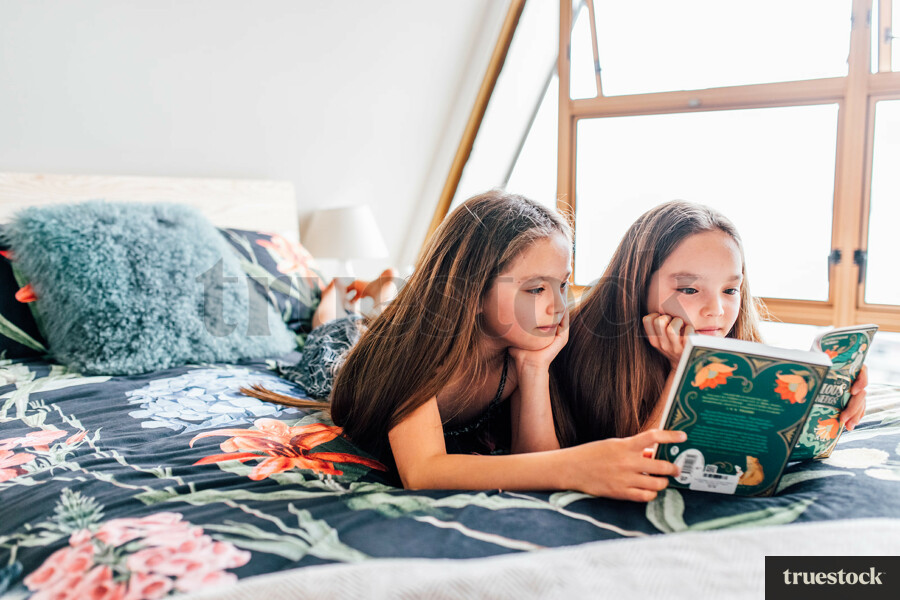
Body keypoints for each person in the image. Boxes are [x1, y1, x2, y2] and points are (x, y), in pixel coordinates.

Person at [244, 191, 684, 501]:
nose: (559, 305)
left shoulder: (519, 354)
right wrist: (581, 465)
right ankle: (333, 297)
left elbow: (537, 463)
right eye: (535, 289)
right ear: (473, 292)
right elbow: (424, 471)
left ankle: (371, 296)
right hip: (342, 362)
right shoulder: (413, 350)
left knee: (363, 317)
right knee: (333, 330)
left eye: (563, 284)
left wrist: (534, 371)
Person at [551, 200, 868, 447]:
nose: (716, 310)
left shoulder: (744, 349)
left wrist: (829, 402)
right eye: (689, 290)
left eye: (730, 290)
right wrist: (684, 370)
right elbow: (632, 464)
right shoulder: (578, 345)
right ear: (638, 286)